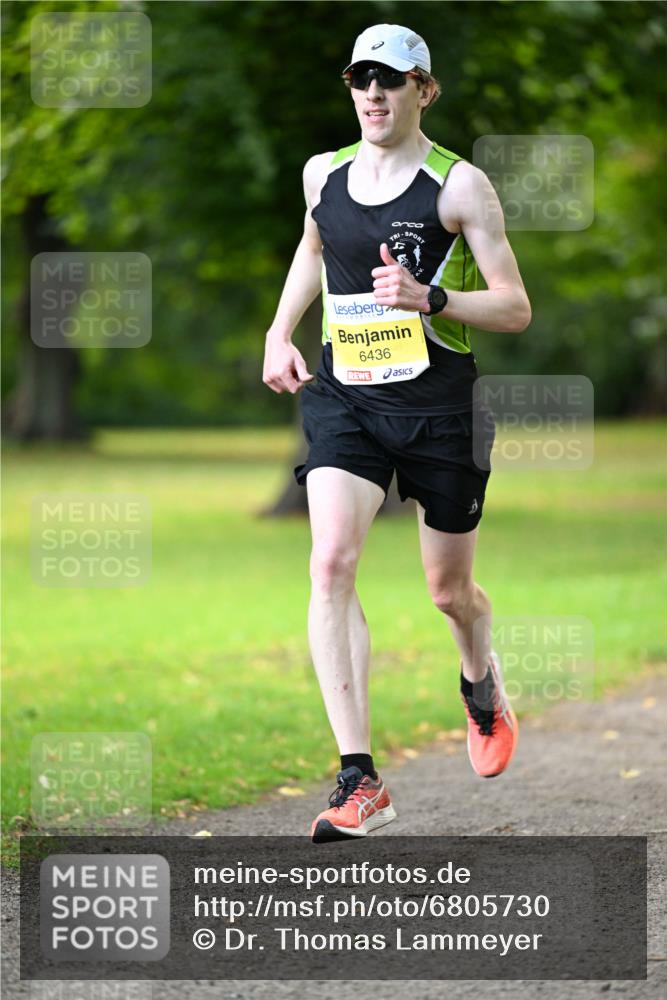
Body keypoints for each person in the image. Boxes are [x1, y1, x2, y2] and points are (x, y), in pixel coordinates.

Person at [263, 24, 531, 844]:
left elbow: (514, 307)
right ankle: (358, 778)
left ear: (425, 90)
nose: (374, 94)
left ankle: (479, 681)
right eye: (361, 79)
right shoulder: (323, 173)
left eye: (391, 80)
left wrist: (432, 300)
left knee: (448, 592)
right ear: (349, 89)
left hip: (440, 407)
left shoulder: (460, 188)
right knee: (331, 560)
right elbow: (313, 248)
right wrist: (281, 332)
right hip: (346, 398)